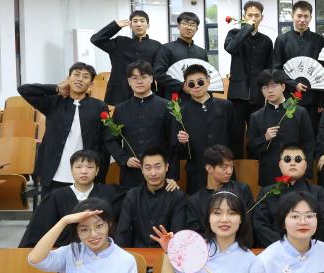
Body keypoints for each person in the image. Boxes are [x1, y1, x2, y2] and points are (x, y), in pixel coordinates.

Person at [152, 191, 256, 273]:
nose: (224, 219)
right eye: (217, 213)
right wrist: (168, 252)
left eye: (232, 213)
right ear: (209, 218)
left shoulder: (250, 260)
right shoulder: (194, 249)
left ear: (241, 219)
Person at [27, 198, 138, 273]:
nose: (93, 234)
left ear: (109, 224)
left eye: (99, 226)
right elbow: (35, 259)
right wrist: (64, 221)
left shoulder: (126, 260)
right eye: (84, 229)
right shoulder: (72, 252)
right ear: (77, 232)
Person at [18, 62, 107, 192]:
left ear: (91, 84)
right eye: (76, 74)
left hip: (84, 174)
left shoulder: (99, 106)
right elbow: (24, 90)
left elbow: (104, 143)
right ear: (68, 78)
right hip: (53, 173)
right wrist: (56, 88)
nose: (80, 79)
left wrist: (100, 174)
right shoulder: (53, 102)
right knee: (52, 205)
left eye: (85, 77)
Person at [18, 150, 122, 247]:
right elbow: (38, 229)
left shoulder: (110, 193)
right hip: (65, 250)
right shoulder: (56, 196)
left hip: (100, 249)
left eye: (90, 167)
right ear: (71, 170)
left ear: (97, 170)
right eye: (78, 167)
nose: (84, 171)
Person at [103, 61, 173, 188]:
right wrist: (124, 159)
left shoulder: (166, 106)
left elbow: (173, 142)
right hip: (130, 174)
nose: (139, 82)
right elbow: (111, 140)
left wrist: (172, 175)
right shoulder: (120, 109)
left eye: (143, 77)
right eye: (134, 78)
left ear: (151, 79)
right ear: (129, 81)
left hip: (159, 173)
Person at [251, 144, 324, 247]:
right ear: (280, 164)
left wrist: (305, 246)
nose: (292, 163)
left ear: (306, 164)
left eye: (298, 159)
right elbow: (260, 225)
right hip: (275, 249)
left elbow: (323, 225)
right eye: (287, 159)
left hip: (309, 249)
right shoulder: (266, 192)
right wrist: (284, 246)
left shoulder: (319, 192)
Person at [173, 63, 235, 194]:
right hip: (196, 171)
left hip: (224, 168)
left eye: (200, 82)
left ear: (208, 81)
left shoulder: (226, 106)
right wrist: (183, 142)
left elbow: (235, 137)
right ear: (186, 86)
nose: (196, 86)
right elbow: (177, 150)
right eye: (191, 84)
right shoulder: (180, 112)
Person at [247, 69, 314, 187]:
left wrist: (306, 171)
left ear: (283, 87)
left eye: (273, 86)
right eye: (265, 87)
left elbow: (308, 144)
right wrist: (264, 138)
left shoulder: (300, 112)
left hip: (296, 174)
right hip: (269, 175)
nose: (269, 90)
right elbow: (251, 147)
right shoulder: (256, 116)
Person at [224, 0, 273, 157]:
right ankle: (233, 167)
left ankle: (255, 165)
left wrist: (267, 91)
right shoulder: (234, 34)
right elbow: (230, 48)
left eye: (256, 15)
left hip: (258, 96)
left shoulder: (266, 41)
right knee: (235, 136)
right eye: (250, 15)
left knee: (256, 135)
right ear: (244, 16)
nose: (253, 18)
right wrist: (247, 29)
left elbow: (269, 69)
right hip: (237, 95)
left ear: (262, 18)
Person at [272, 0, 324, 136]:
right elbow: (277, 69)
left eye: (306, 16)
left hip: (313, 96)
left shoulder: (319, 40)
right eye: (299, 16)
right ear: (292, 16)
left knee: (312, 132)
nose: (302, 20)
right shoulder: (282, 40)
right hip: (288, 95)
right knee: (290, 131)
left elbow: (322, 71)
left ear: (311, 18)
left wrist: (321, 101)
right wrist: (293, 84)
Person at [113, 149, 187, 248]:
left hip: (166, 252)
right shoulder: (133, 195)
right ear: (142, 169)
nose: (153, 173)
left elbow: (178, 232)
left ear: (166, 167)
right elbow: (123, 231)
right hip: (138, 253)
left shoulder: (177, 197)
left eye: (158, 167)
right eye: (148, 168)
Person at [90, 10, 161, 105]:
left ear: (148, 25)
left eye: (142, 21)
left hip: (145, 93)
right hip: (119, 94)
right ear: (130, 25)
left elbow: (159, 72)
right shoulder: (120, 42)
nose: (138, 24)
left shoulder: (156, 46)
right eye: (135, 21)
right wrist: (115, 26)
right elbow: (96, 39)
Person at [185, 145, 256, 232]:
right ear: (209, 168)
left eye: (231, 166)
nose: (229, 171)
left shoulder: (242, 190)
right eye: (224, 167)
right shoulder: (195, 201)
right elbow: (195, 234)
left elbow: (249, 224)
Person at [153, 11, 208, 98]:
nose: (188, 27)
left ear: (196, 29)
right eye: (185, 24)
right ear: (178, 26)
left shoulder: (201, 52)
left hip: (196, 98)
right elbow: (159, 74)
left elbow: (206, 75)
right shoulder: (166, 48)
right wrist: (181, 86)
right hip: (171, 97)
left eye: (192, 25)